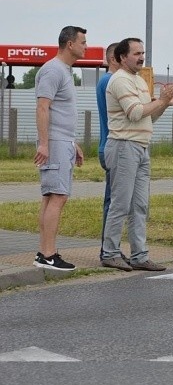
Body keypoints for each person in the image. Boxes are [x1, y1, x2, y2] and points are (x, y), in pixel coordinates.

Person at [100, 38, 173, 271]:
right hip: (123, 145)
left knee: (139, 205)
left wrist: (165, 104)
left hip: (140, 146)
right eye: (136, 53)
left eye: (142, 52)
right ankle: (110, 252)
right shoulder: (120, 80)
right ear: (121, 57)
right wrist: (163, 100)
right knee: (121, 203)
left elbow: (149, 116)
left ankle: (139, 255)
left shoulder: (138, 81)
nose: (141, 57)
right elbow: (136, 113)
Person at [32, 26, 87, 271]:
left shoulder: (64, 71)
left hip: (61, 142)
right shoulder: (53, 70)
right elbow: (43, 107)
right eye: (82, 42)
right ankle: (48, 254)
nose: (85, 46)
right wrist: (45, 144)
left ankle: (45, 252)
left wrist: (72, 143)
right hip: (53, 143)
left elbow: (60, 112)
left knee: (51, 196)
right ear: (69, 44)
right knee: (58, 196)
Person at [96, 42, 127, 262]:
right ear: (115, 58)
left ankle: (110, 247)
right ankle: (108, 248)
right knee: (114, 201)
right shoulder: (110, 81)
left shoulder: (107, 81)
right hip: (113, 143)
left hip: (108, 143)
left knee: (115, 199)